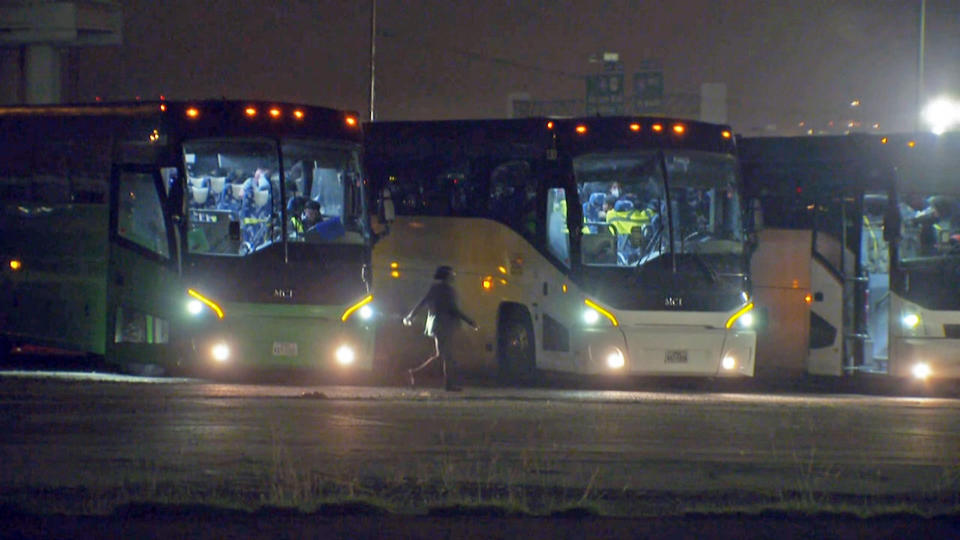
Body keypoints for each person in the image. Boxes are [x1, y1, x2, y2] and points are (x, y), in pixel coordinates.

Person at [403, 265, 478, 391]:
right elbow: (453, 310)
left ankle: (417, 374)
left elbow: (422, 302)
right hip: (445, 325)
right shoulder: (448, 290)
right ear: (447, 276)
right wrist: (470, 321)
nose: (453, 276)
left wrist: (410, 316)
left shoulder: (434, 289)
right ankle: (441, 382)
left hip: (435, 325)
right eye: (452, 274)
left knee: (442, 355)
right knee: (446, 356)